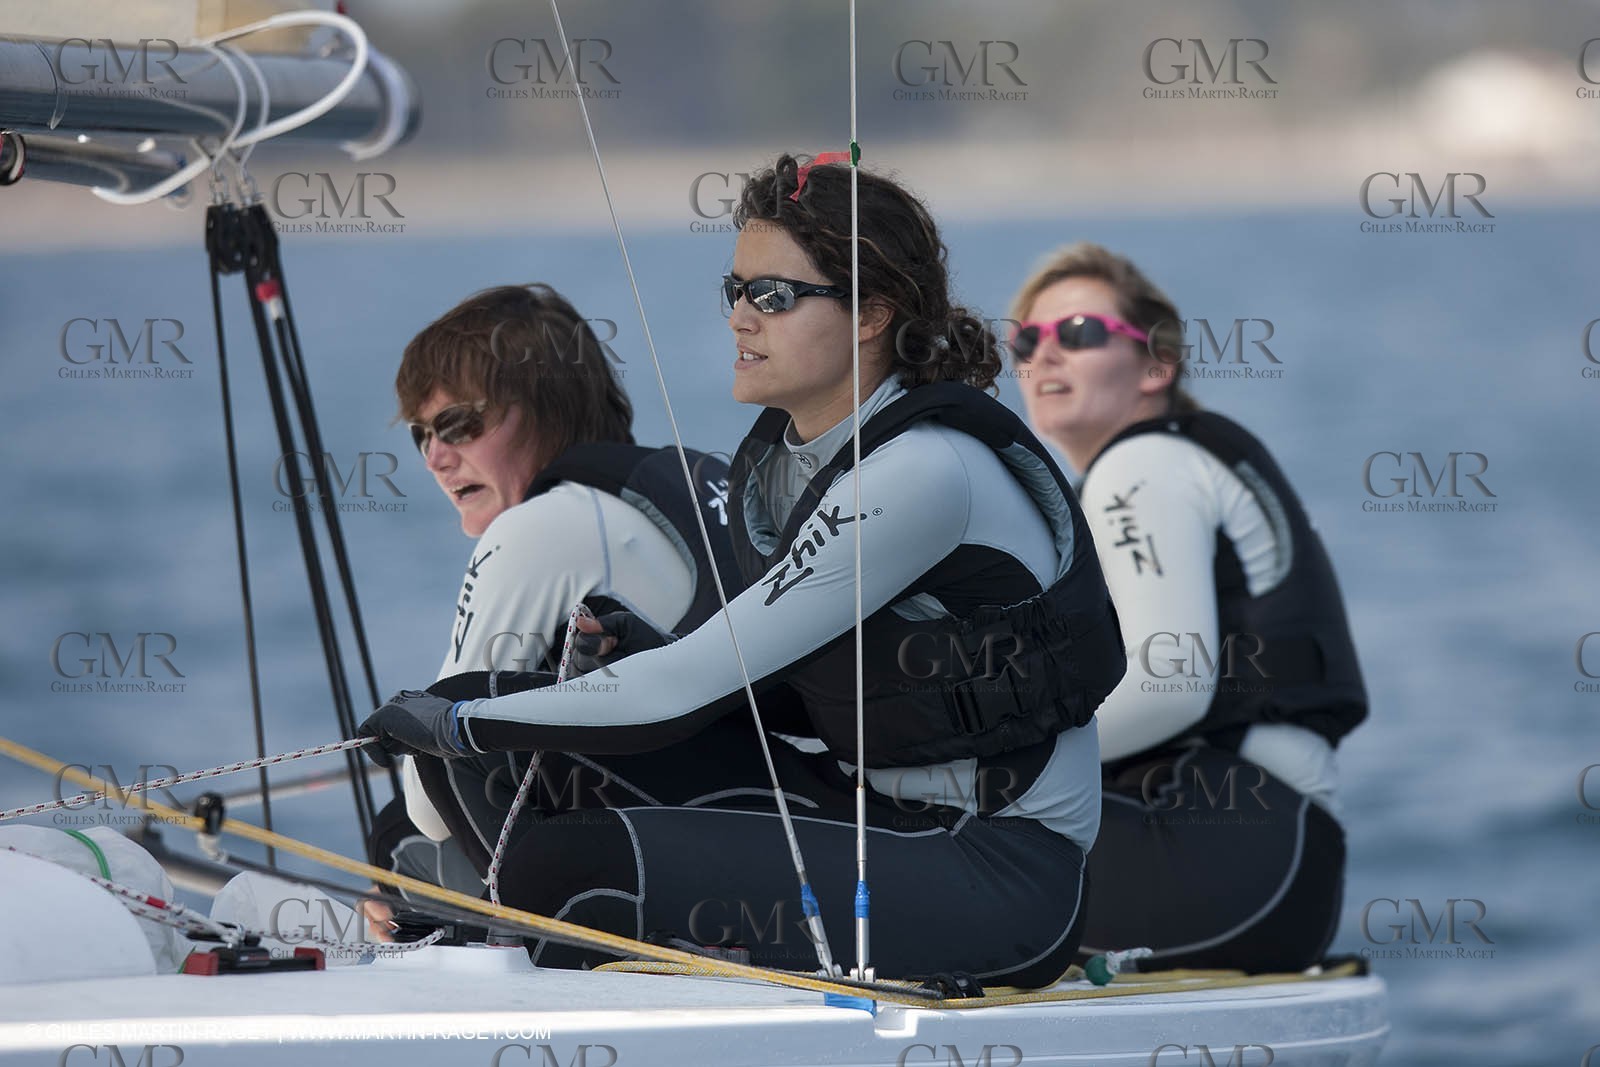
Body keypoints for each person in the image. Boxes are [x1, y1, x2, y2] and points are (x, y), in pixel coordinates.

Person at [358, 154, 1127, 986]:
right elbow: (793, 681)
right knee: (476, 756)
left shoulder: (924, 472)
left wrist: (463, 715)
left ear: (871, 312)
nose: (740, 318)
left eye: (774, 296)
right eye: (735, 290)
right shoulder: (800, 466)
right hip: (873, 813)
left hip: (1001, 873)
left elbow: (685, 685)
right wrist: (511, 701)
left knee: (561, 862)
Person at [1009, 243, 1368, 972]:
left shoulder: (1142, 466)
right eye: (1025, 340)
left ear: (1155, 366)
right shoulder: (1175, 461)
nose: (1044, 357)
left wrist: (991, 764)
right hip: (1278, 867)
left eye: (1077, 333)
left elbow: (1169, 686)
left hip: (1234, 852)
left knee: (919, 828)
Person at [363, 284, 737, 934]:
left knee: (400, 837)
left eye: (457, 424)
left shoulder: (543, 526)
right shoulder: (687, 494)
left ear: (545, 408)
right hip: (750, 830)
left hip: (659, 887)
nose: (434, 457)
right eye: (423, 434)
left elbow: (431, 797)